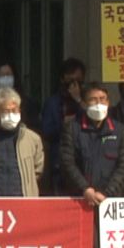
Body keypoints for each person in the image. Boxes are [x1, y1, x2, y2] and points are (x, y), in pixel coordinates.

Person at [59, 82, 124, 207]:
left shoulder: (120, 131)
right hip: (79, 200)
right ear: (83, 104)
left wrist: (107, 193)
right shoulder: (72, 129)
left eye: (102, 99)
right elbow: (67, 163)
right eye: (93, 100)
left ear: (108, 102)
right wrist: (85, 188)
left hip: (110, 203)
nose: (99, 104)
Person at [40, 57, 87, 193]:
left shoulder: (86, 100)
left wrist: (78, 99)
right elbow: (46, 131)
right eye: (70, 80)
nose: (74, 85)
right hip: (59, 162)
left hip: (84, 161)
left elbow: (94, 119)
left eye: (78, 81)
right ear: (63, 79)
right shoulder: (53, 103)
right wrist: (63, 124)